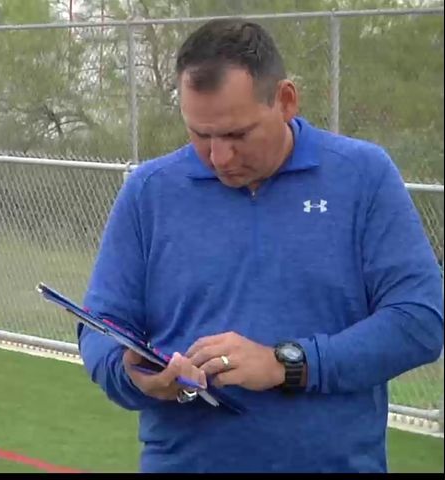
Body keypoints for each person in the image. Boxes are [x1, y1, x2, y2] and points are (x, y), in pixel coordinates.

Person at [77, 18, 443, 473]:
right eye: (200, 135)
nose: (219, 157)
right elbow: (101, 326)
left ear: (285, 100)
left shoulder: (362, 176)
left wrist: (286, 363)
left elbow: (420, 320)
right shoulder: (149, 191)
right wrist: (134, 374)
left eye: (237, 135)